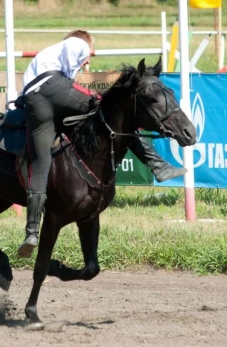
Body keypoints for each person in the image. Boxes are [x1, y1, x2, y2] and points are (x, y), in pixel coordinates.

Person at [17, 30, 185, 258]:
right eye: (88, 56)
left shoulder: (42, 57)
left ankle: (32, 232)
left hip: (33, 102)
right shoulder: (78, 43)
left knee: (40, 163)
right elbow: (68, 68)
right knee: (109, 111)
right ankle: (158, 166)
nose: (87, 61)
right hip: (52, 87)